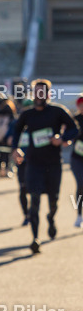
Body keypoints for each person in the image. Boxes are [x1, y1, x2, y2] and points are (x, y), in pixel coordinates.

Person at [10, 78, 80, 253]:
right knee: (34, 200)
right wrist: (15, 149)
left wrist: (62, 139)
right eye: (37, 92)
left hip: (53, 164)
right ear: (33, 94)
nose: (39, 96)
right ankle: (35, 238)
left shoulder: (57, 111)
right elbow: (17, 130)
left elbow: (74, 128)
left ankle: (51, 217)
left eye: (43, 92)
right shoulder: (27, 115)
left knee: (53, 200)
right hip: (33, 163)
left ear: (48, 94)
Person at [71, 94, 83, 228]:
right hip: (77, 158)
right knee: (81, 184)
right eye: (80, 105)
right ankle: (79, 215)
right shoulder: (74, 120)